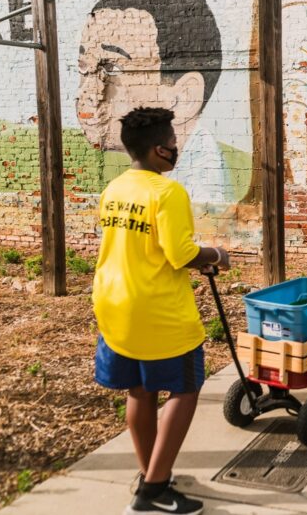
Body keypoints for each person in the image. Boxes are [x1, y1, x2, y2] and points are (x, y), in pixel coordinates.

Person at [92, 107, 231, 515]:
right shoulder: (167, 193)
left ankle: (152, 472)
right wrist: (218, 255)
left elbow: (141, 246)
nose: (177, 148)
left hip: (114, 304)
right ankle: (153, 490)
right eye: (172, 143)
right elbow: (181, 253)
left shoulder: (115, 188)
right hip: (159, 311)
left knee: (140, 389)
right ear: (157, 151)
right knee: (185, 389)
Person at [76, 0, 250, 204]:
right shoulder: (134, 190)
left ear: (184, 97)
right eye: (84, 68)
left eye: (112, 69)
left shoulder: (134, 193)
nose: (88, 94)